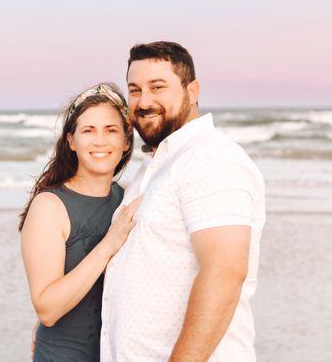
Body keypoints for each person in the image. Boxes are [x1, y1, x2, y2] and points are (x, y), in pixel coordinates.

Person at [100, 41, 266, 361]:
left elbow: (225, 271)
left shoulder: (210, 158)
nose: (144, 101)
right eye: (134, 90)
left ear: (193, 91)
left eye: (157, 87)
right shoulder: (154, 167)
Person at [19, 83, 143, 362]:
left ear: (126, 142)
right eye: (88, 130)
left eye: (111, 130)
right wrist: (107, 245)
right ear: (71, 141)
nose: (100, 141)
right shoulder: (49, 206)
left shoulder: (127, 200)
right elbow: (47, 310)